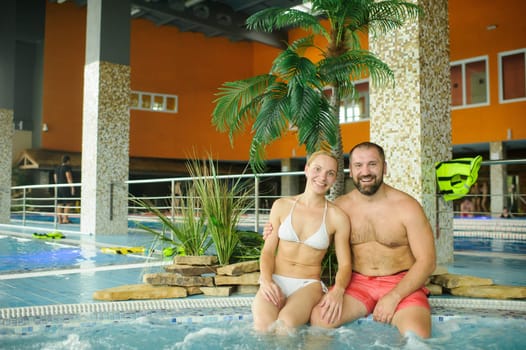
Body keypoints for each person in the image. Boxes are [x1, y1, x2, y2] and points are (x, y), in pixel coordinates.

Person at [264, 142, 436, 339]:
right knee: (320, 319)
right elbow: (304, 230)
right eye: (358, 165)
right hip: (358, 283)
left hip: (400, 283)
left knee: (417, 336)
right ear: (350, 171)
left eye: (372, 164)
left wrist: (395, 296)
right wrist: (271, 229)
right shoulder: (340, 208)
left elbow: (427, 261)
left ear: (385, 168)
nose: (365, 171)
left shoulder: (407, 207)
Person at [252, 151, 351, 334]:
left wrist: (338, 291)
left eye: (330, 173)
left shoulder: (337, 217)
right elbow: (267, 252)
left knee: (285, 326)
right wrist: (266, 280)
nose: (322, 177)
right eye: (317, 169)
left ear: (335, 178)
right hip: (276, 278)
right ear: (306, 170)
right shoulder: (281, 206)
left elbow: (345, 265)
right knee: (262, 327)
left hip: (308, 285)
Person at [54, 155, 75, 224]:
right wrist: (72, 187)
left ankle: (60, 220)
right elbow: (68, 178)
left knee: (59, 203)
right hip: (65, 187)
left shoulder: (57, 168)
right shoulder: (67, 168)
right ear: (68, 161)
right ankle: (65, 219)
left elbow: (55, 179)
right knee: (68, 203)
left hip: (59, 187)